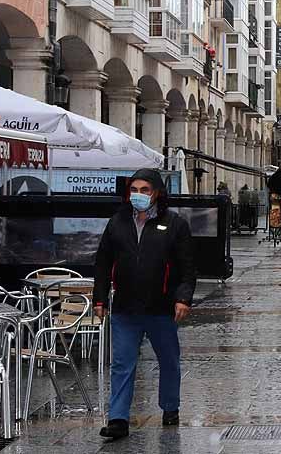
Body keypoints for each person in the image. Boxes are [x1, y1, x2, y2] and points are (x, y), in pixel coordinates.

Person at [94, 169, 196, 440]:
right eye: (134, 190)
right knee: (122, 363)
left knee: (169, 360)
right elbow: (103, 261)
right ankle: (118, 419)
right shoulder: (118, 222)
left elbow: (187, 267)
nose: (138, 195)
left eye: (144, 190)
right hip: (126, 308)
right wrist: (100, 298)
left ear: (157, 193)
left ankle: (170, 407)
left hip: (161, 308)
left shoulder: (174, 224)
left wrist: (183, 298)